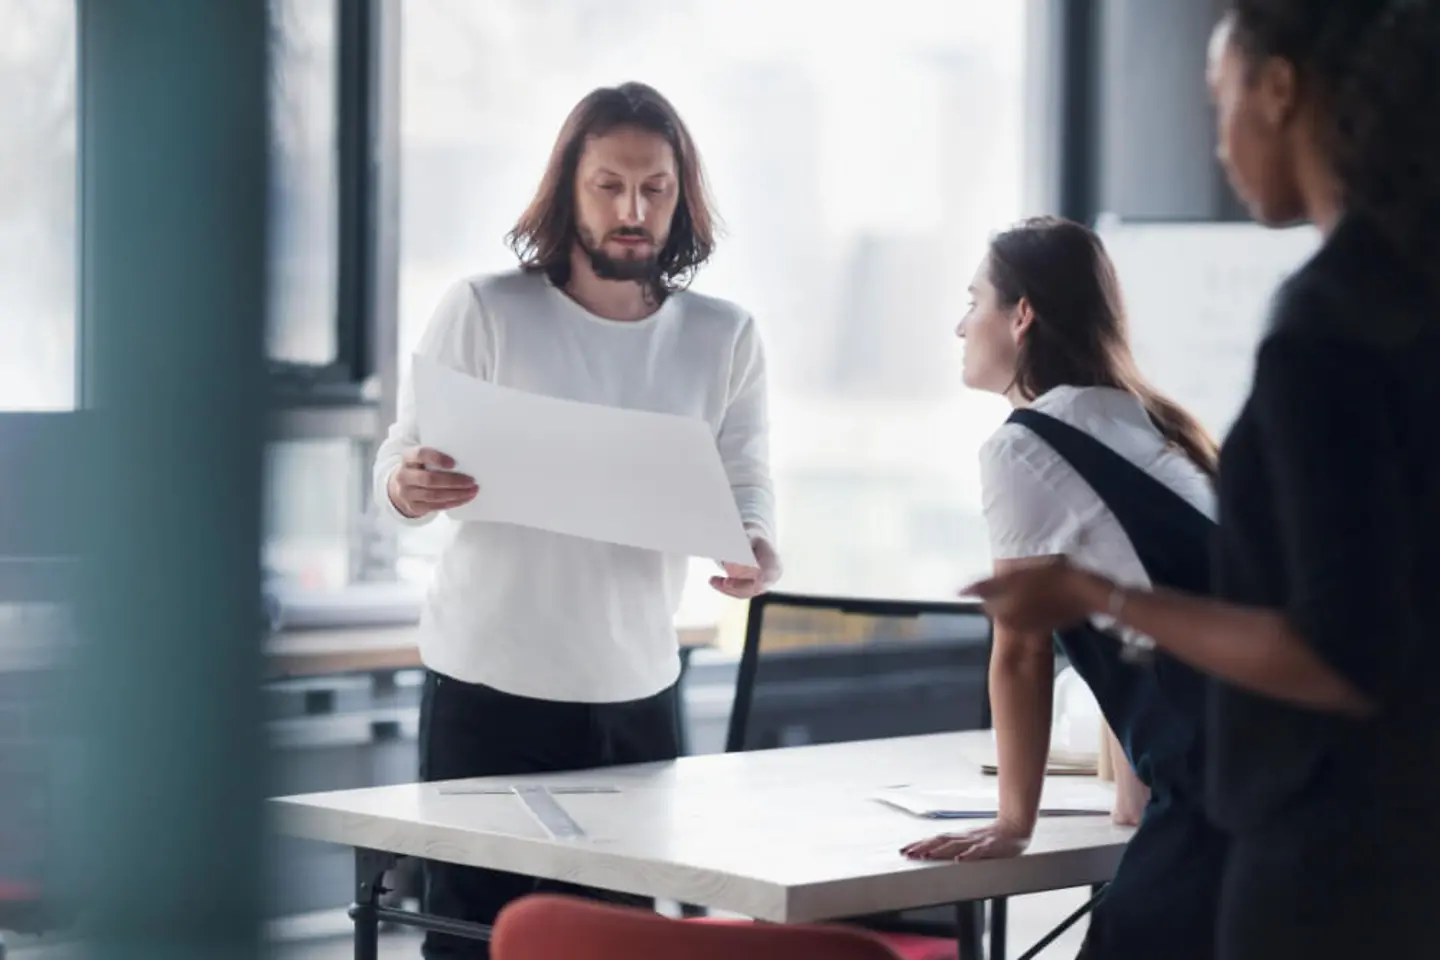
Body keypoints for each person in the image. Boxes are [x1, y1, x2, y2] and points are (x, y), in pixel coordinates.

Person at [962, 2, 1440, 957]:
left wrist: (1094, 597)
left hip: (1317, 851)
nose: (1216, 140)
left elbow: (1338, 649)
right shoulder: (1399, 304)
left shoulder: (1328, 331)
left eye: (1219, 96)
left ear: (1280, 89)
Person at [373, 82, 782, 958]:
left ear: (682, 193)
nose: (634, 210)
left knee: (622, 944)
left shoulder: (724, 336)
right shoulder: (486, 309)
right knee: (474, 940)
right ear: (569, 188)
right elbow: (401, 458)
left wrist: (754, 540)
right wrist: (408, 485)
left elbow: (745, 478)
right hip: (486, 687)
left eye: (656, 188)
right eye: (609, 185)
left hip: (635, 689)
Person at [899, 217, 1227, 960]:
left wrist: (1014, 821)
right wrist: (1138, 795)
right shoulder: (1155, 432)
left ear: (1021, 315)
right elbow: (1148, 609)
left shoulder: (1026, 446)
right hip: (1275, 783)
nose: (959, 325)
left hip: (1219, 802)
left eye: (973, 300)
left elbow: (1021, 649)